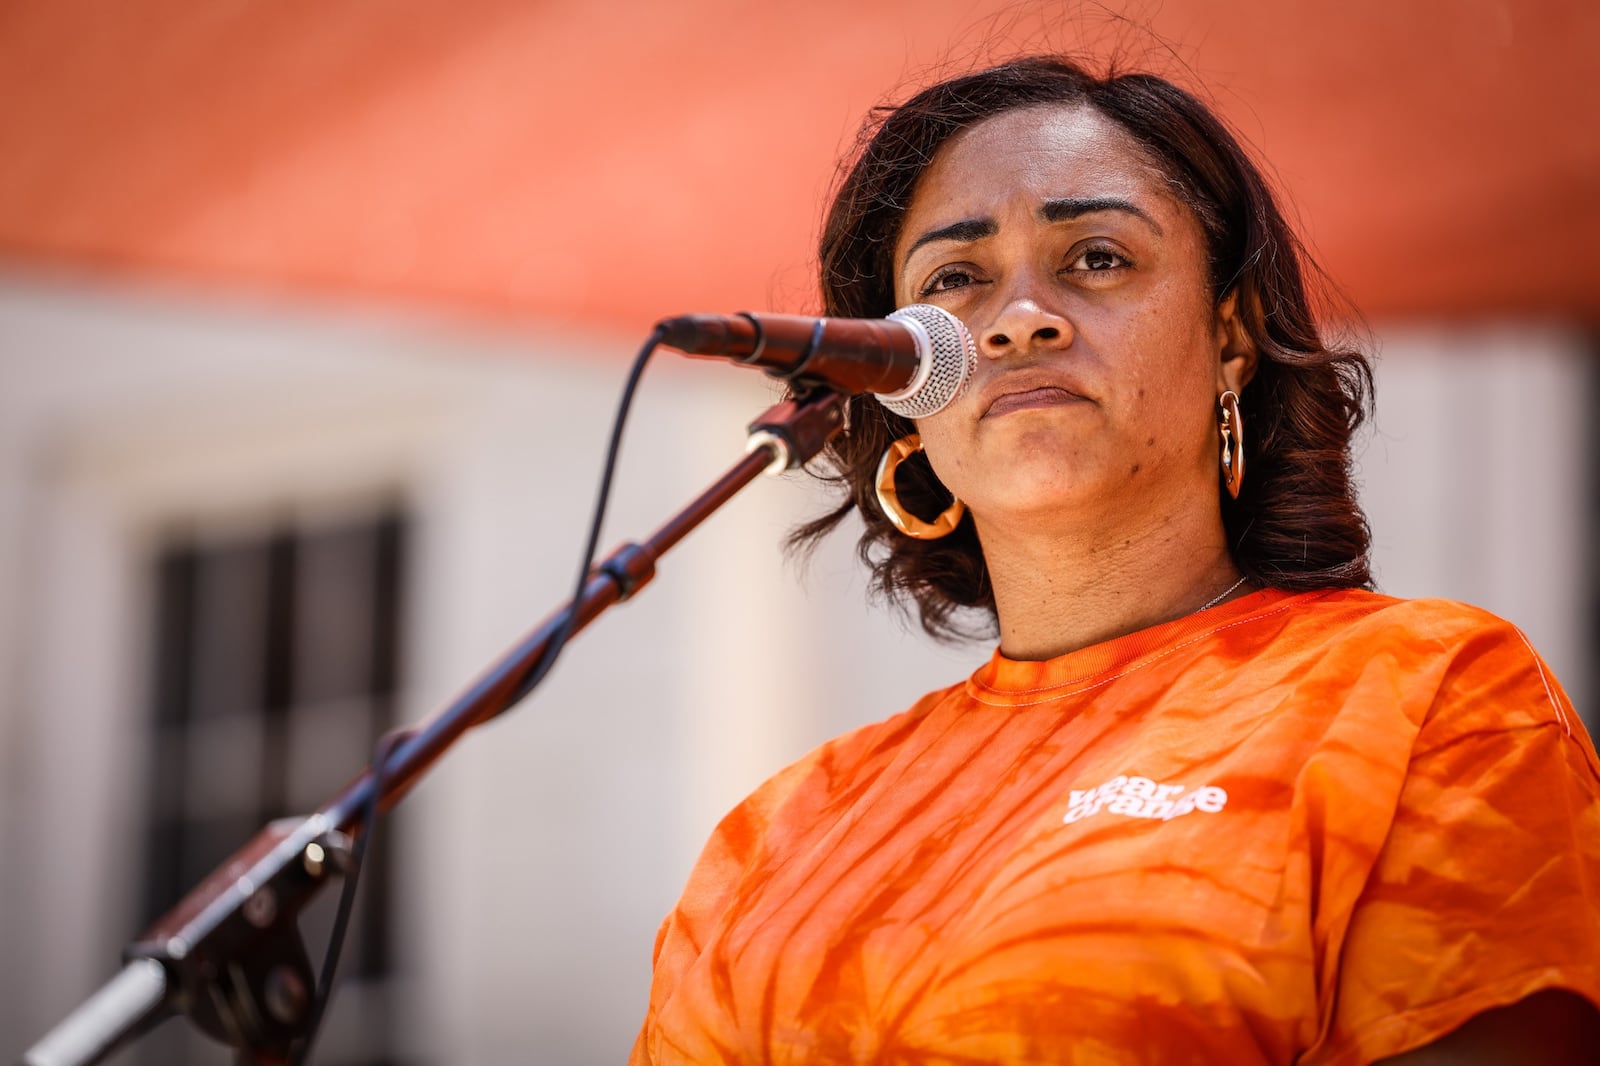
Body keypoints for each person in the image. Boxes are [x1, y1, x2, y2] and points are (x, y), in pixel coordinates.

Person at [630, 56, 1600, 1065]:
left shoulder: (1428, 698)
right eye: (954, 281)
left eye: (1095, 258)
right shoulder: (778, 835)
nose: (1019, 318)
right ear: (900, 390)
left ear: (1229, 340)